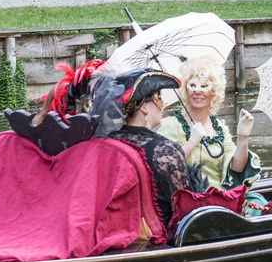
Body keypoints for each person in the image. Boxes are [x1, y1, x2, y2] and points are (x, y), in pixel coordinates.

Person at [108, 69, 198, 228]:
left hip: (116, 231)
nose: (162, 105)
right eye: (159, 98)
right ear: (143, 107)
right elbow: (187, 213)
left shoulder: (108, 142)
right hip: (159, 240)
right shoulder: (166, 151)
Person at [158, 54, 260, 190]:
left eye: (204, 85)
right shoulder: (170, 125)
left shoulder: (219, 128)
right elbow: (163, 167)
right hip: (186, 201)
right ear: (186, 90)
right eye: (192, 85)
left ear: (214, 91)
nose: (198, 91)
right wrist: (191, 142)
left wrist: (243, 136)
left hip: (217, 200)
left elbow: (237, 167)